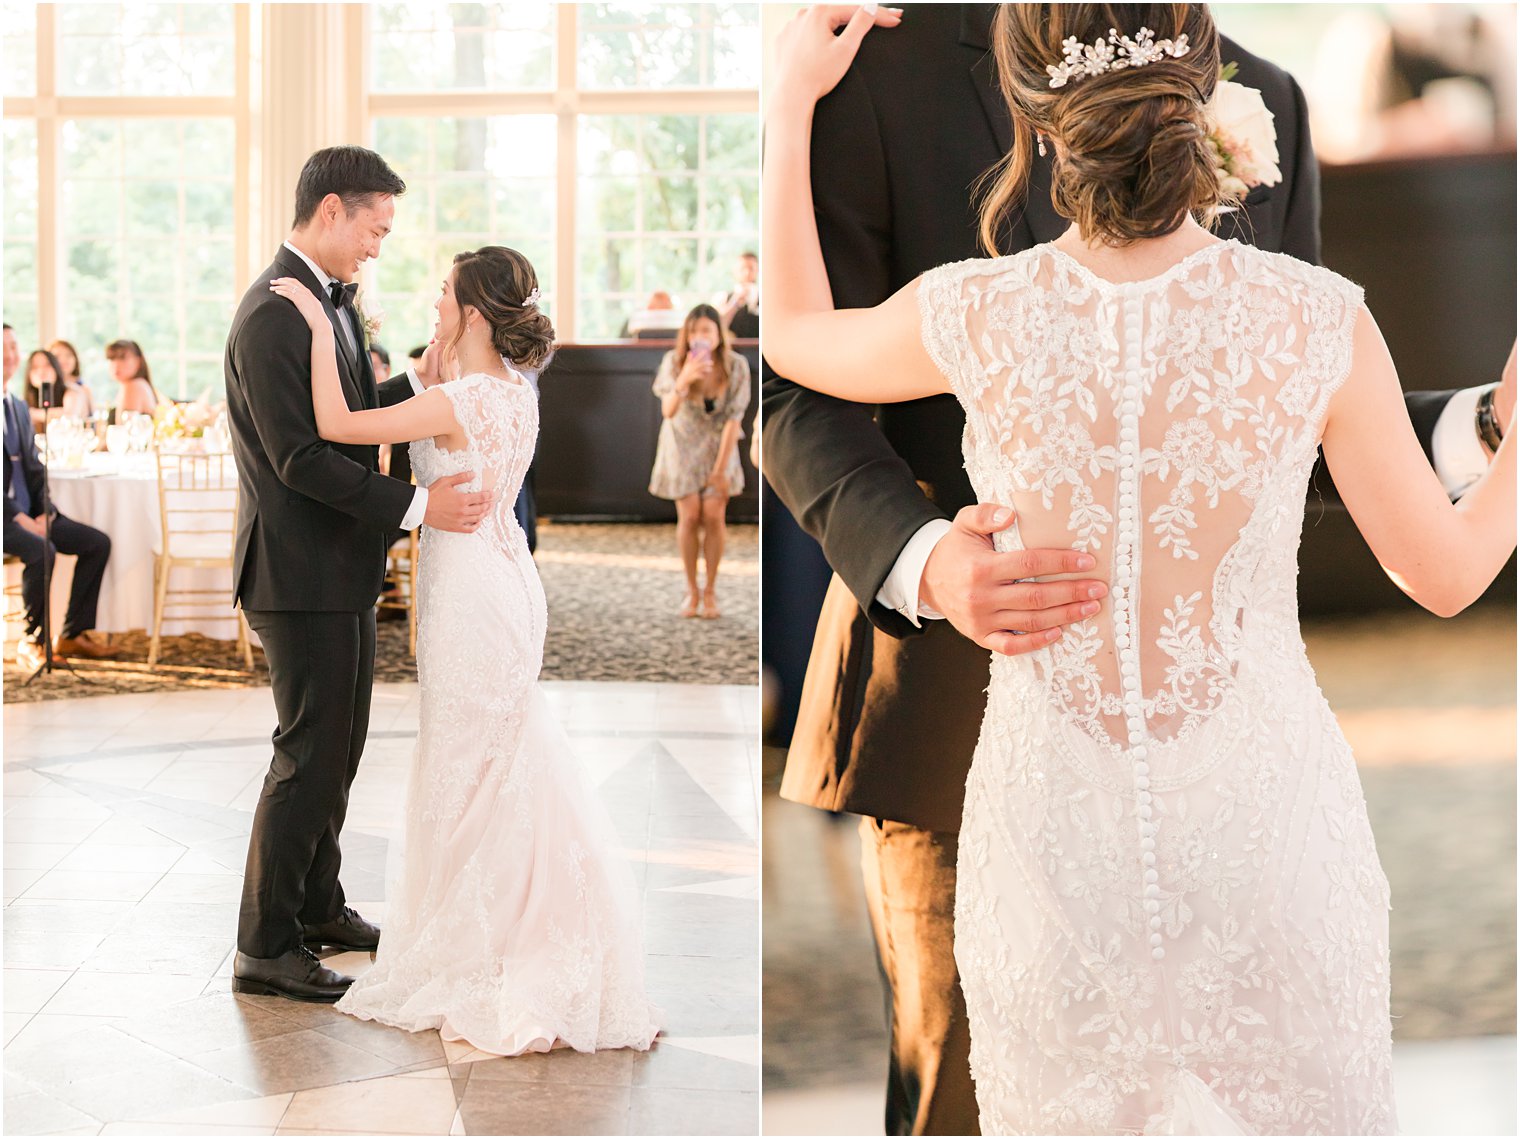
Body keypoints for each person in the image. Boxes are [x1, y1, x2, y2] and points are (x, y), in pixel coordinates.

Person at [761, 4, 1516, 1134]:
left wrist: (778, 109)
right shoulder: (1320, 321)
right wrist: (925, 563)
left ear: (1036, 120)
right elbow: (1443, 570)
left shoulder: (973, 307)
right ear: (1200, 111)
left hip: (1046, 810)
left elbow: (790, 333)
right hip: (1228, 799)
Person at [269, 244, 661, 1054]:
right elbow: (434, 393)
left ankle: (480, 940)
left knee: (468, 759)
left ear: (476, 312)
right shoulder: (513, 391)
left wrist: (313, 324)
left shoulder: (453, 399)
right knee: (501, 757)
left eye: (445, 293)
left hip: (470, 595)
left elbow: (336, 426)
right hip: (507, 579)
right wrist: (431, 360)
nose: (434, 300)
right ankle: (521, 925)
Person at [224, 146, 491, 1004]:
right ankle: (265, 945)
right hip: (296, 570)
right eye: (374, 228)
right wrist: (417, 507)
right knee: (306, 753)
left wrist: (420, 377)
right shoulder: (275, 313)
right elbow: (300, 457)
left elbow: (347, 418)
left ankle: (319, 902)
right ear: (333, 209)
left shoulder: (329, 305)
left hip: (336, 564)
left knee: (342, 746)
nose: (378, 247)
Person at [2, 325, 120, 668]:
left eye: (13, 346)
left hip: (29, 511)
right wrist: (19, 518)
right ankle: (32, 640)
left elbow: (35, 470)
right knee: (43, 551)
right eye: (2, 347)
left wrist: (45, 512)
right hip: (5, 517)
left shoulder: (16, 406)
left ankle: (71, 633)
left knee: (96, 543)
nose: (9, 355)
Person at [649, 303, 751, 619]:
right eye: (693, 331)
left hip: (719, 443)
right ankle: (692, 590)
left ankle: (711, 591)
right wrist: (685, 379)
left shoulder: (736, 366)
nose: (699, 337)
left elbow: (735, 419)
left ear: (719, 335)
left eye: (706, 330)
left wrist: (721, 471)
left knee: (714, 515)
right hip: (681, 442)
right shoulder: (674, 362)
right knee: (690, 515)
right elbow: (668, 410)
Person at [23, 349, 91, 430]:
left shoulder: (72, 392)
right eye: (35, 367)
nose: (41, 371)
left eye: (47, 365)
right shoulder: (24, 400)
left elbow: (69, 416)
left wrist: (31, 413)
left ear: (56, 368)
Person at [105, 339, 158, 416]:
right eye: (112, 358)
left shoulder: (133, 386)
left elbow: (126, 426)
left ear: (138, 361)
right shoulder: (137, 384)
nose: (116, 364)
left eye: (122, 358)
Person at [45, 339, 95, 420]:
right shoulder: (46, 388)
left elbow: (71, 416)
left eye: (68, 355)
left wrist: (35, 413)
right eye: (57, 356)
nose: (63, 360)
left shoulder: (83, 389)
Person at [717, 251, 761, 338]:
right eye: (743, 268)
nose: (747, 273)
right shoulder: (724, 297)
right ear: (735, 271)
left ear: (758, 270)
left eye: (751, 268)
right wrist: (735, 302)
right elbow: (718, 325)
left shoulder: (766, 297)